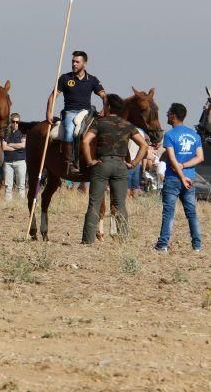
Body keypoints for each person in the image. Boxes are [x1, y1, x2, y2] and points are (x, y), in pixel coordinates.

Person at [80, 94, 149, 244]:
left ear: (109, 106)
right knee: (119, 204)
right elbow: (144, 145)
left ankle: (88, 240)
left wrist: (90, 161)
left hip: (101, 165)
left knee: (95, 203)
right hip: (120, 167)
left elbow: (85, 141)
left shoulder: (99, 123)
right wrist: (134, 163)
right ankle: (123, 239)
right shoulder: (128, 125)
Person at [46, 51, 108, 174]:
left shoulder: (92, 80)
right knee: (70, 131)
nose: (74, 64)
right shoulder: (65, 78)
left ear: (84, 64)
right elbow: (52, 97)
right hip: (70, 112)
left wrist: (105, 108)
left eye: (77, 62)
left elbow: (104, 96)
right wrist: (49, 112)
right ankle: (69, 163)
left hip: (87, 112)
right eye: (73, 61)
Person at [154, 103, 203, 253]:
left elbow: (172, 159)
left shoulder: (170, 135)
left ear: (174, 116)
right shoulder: (195, 135)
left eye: (168, 113)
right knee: (192, 214)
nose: (167, 116)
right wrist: (185, 166)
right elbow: (200, 158)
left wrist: (180, 173)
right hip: (190, 179)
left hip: (174, 179)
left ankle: (162, 245)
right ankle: (197, 246)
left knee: (168, 213)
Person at [2, 113, 26, 200]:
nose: (15, 124)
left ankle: (21, 205)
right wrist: (17, 146)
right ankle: (8, 205)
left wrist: (11, 144)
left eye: (17, 122)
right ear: (10, 122)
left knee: (21, 185)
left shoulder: (23, 132)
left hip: (20, 161)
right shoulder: (6, 133)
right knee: (8, 186)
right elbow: (4, 147)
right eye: (13, 122)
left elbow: (23, 145)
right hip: (8, 162)